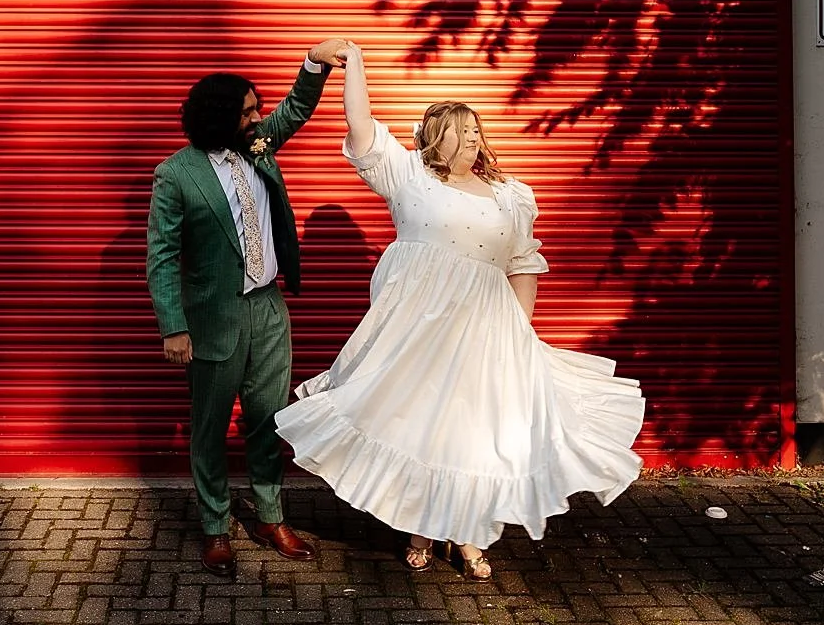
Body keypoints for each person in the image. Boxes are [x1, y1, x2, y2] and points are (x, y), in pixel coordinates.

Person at [274, 43, 645, 579]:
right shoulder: (407, 175)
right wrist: (353, 61)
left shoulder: (510, 195)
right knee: (427, 425)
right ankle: (423, 527)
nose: (474, 139)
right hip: (419, 332)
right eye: (463, 130)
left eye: (478, 131)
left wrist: (522, 333)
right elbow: (360, 124)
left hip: (489, 330)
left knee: (477, 428)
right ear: (435, 134)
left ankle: (470, 534)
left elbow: (522, 263)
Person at [147, 39, 350, 577]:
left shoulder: (258, 143)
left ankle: (268, 515)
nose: (258, 116)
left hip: (268, 309)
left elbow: (296, 108)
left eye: (256, 109)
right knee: (210, 427)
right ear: (220, 117)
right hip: (214, 317)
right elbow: (162, 256)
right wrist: (174, 327)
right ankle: (215, 528)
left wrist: (315, 62)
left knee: (267, 420)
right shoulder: (175, 174)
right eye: (247, 110)